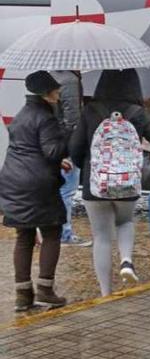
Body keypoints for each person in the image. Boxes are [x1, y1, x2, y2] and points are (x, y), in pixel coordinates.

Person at [69, 69, 150, 296]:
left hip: (95, 184)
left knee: (102, 236)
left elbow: (74, 149)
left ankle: (106, 292)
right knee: (125, 222)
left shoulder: (90, 111)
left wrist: (86, 167)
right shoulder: (137, 113)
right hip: (127, 184)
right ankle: (126, 260)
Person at [0, 71, 70, 311]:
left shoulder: (22, 114)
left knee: (24, 236)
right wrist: (67, 137)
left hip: (13, 178)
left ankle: (22, 295)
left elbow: (28, 148)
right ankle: (46, 289)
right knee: (52, 231)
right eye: (56, 89)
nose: (59, 92)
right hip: (37, 184)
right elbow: (52, 151)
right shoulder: (45, 116)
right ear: (46, 93)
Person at [49, 70, 91, 247]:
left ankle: (51, 231)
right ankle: (64, 234)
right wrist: (72, 149)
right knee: (67, 190)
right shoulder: (71, 80)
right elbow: (73, 119)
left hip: (52, 140)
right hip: (66, 145)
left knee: (58, 189)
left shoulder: (53, 75)